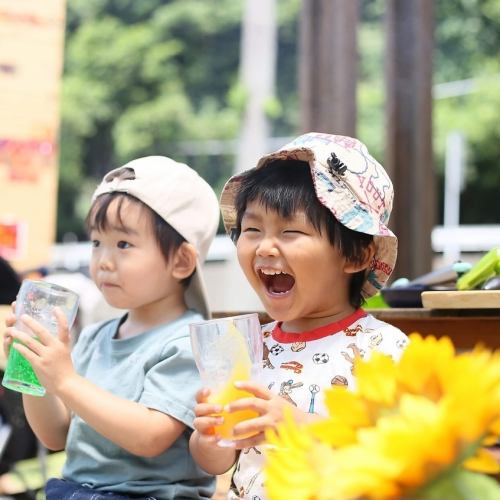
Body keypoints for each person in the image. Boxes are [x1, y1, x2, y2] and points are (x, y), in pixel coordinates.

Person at [189, 132, 409, 499]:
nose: (264, 246)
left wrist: (294, 425)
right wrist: (210, 436)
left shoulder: (384, 349)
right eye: (252, 229)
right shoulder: (248, 347)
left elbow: (399, 454)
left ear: (356, 256)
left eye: (290, 231)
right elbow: (215, 463)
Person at [3, 156, 219, 499]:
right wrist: (34, 371)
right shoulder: (95, 336)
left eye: (123, 245)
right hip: (75, 490)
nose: (103, 260)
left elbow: (150, 436)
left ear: (181, 261)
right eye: (96, 243)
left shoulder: (187, 341)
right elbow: (56, 435)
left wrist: (65, 380)